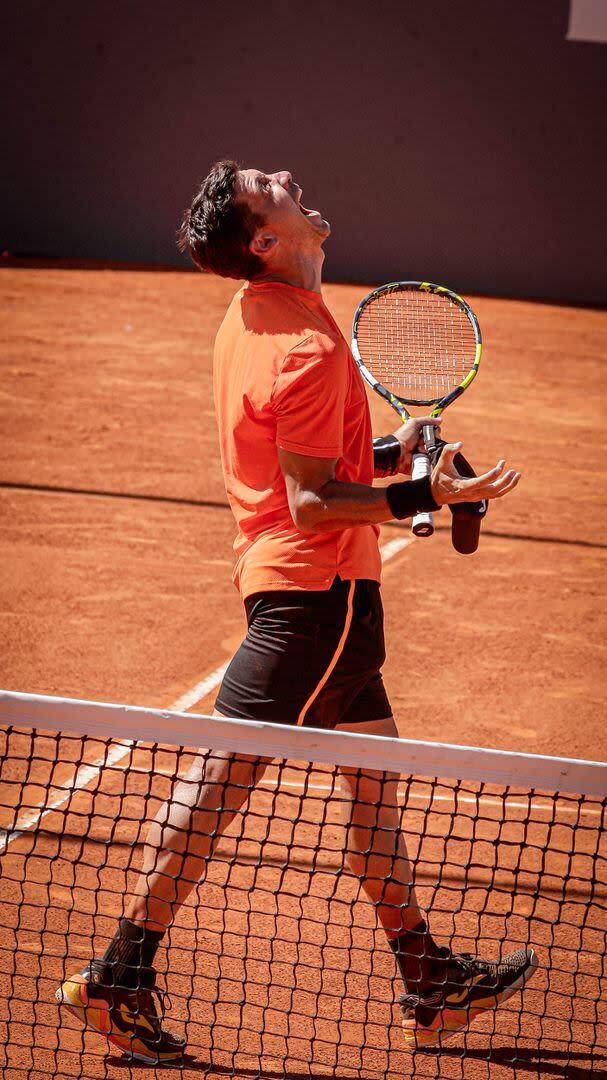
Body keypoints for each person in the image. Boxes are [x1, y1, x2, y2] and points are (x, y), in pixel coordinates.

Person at [57, 161, 536, 1062]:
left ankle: (427, 976)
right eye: (264, 185)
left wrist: (399, 456)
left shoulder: (260, 315)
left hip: (322, 598)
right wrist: (416, 493)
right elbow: (313, 501)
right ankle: (118, 974)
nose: (284, 175)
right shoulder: (306, 348)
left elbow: (316, 454)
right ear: (266, 241)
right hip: (317, 604)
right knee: (219, 786)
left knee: (371, 784)